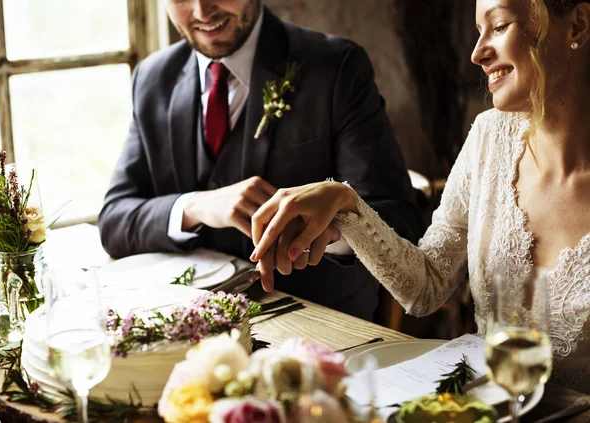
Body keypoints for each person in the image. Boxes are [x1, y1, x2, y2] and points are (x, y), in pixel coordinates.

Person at [250, 0, 590, 393]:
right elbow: (425, 287)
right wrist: (344, 203)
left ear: (577, 26)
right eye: (478, 31)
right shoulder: (488, 138)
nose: (477, 53)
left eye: (498, 27)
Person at [98, 0, 424, 321]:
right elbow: (115, 219)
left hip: (319, 325)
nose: (201, 11)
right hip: (191, 330)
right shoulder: (153, 77)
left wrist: (333, 228)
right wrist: (196, 206)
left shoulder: (337, 67)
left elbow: (401, 221)